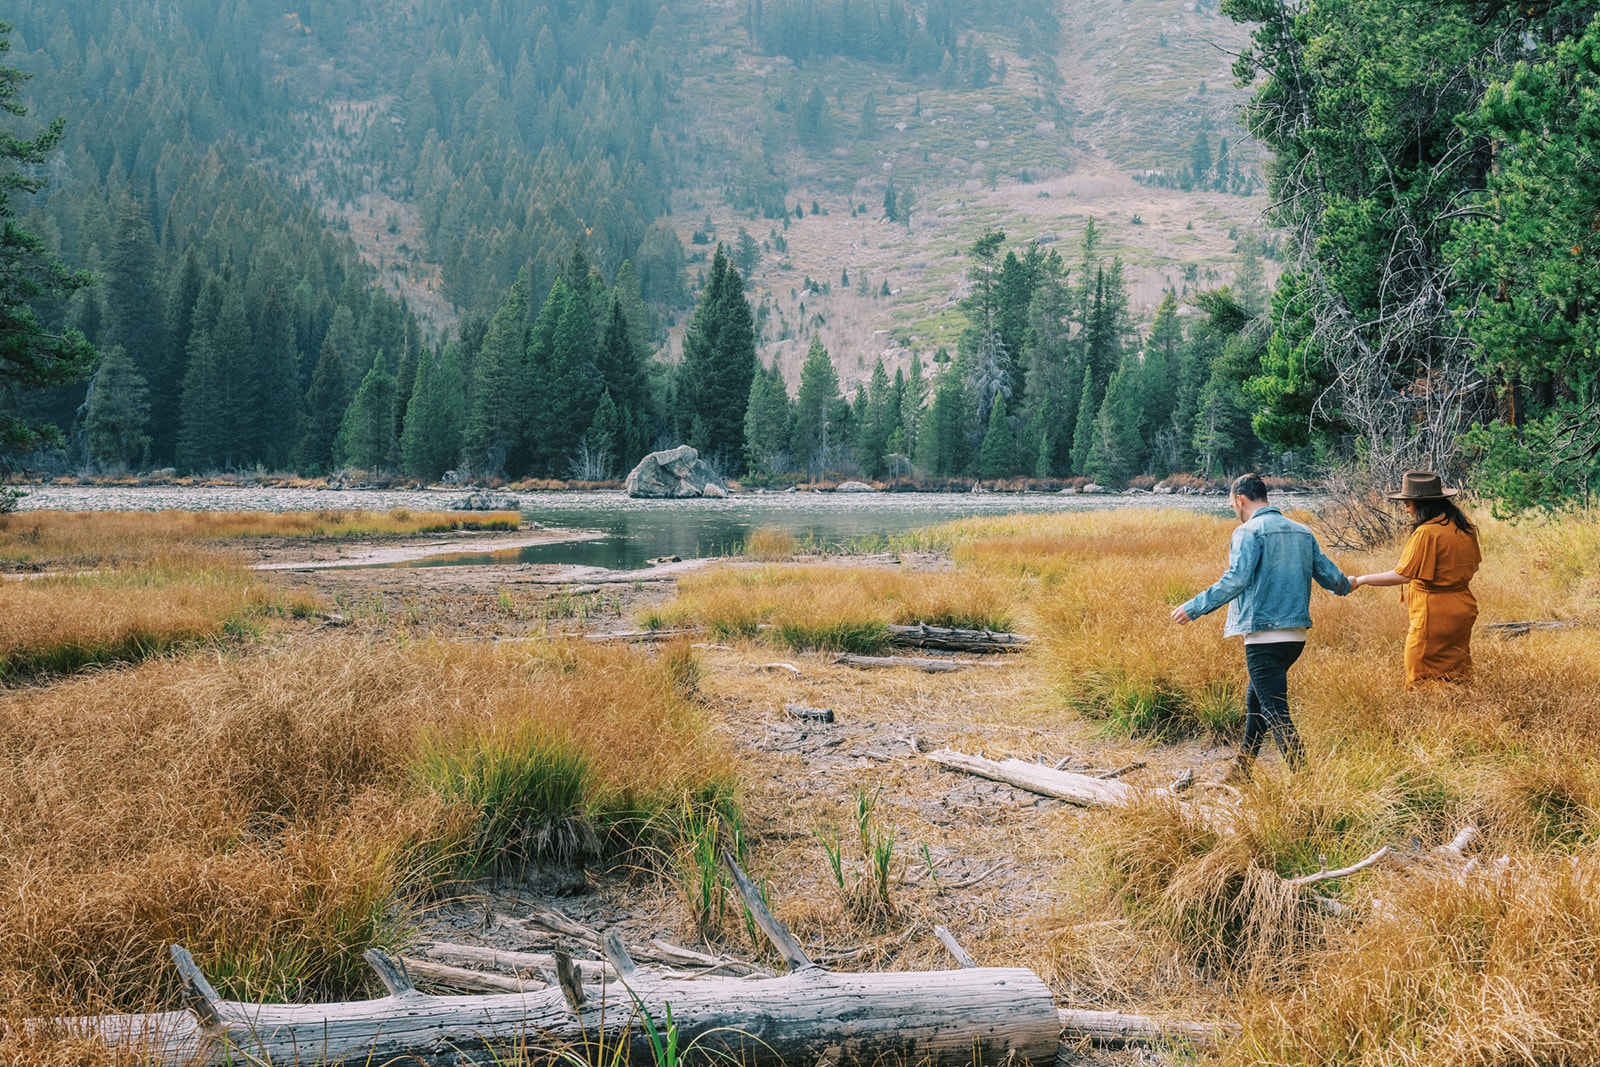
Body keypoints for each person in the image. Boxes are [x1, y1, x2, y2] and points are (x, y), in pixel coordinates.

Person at [1171, 473, 1352, 781]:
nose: (1233, 510)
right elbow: (1331, 578)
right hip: (1295, 638)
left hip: (1263, 637)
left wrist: (1193, 608)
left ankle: (1305, 782)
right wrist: (1347, 585)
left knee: (1275, 712)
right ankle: (1241, 771)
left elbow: (1236, 579)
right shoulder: (1302, 531)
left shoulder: (1248, 531)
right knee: (1257, 701)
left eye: (1232, 505)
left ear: (1241, 499)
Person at [1347, 471, 1481, 688]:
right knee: (1456, 671)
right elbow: (1474, 566)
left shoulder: (1426, 532)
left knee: (1420, 673)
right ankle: (1457, 710)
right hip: (1464, 607)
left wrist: (1361, 579)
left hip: (1433, 613)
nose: (1405, 509)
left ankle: (1426, 716)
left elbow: (1404, 575)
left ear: (1422, 504)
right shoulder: (1464, 525)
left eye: (1408, 503)